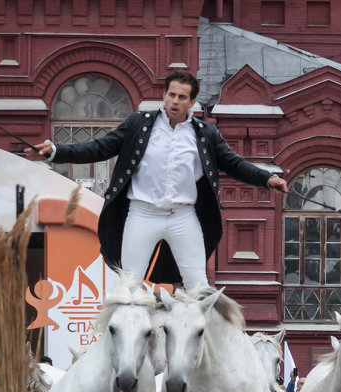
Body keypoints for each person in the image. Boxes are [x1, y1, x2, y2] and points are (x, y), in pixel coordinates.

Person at [25, 70, 289, 287]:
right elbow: (99, 148)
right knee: (129, 286)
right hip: (142, 213)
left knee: (199, 285)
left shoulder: (206, 134)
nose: (174, 101)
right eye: (171, 94)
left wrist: (268, 179)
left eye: (182, 97)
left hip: (183, 216)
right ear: (164, 95)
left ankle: (201, 348)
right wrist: (56, 152)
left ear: (192, 102)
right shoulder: (139, 124)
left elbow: (233, 164)